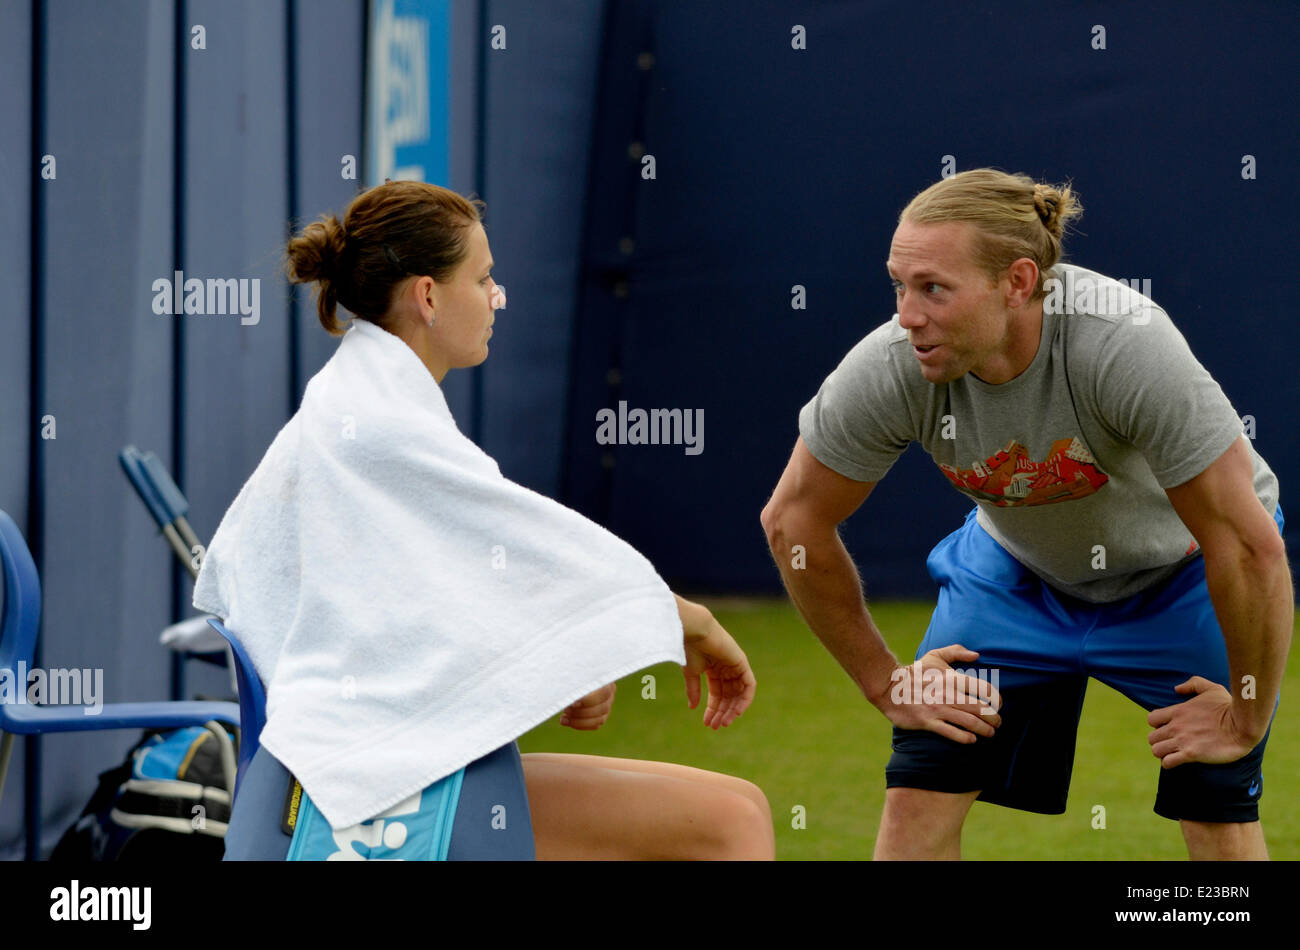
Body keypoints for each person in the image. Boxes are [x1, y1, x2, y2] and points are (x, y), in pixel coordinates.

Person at [203, 179, 773, 861]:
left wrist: (577, 655)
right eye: (483, 278)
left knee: (744, 808)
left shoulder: (359, 398)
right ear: (428, 295)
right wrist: (695, 624)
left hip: (370, 761)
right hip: (366, 784)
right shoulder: (377, 419)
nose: (498, 296)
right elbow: (530, 553)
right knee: (729, 827)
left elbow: (422, 593)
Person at [761, 168, 1291, 860]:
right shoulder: (897, 365)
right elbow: (791, 523)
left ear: (1015, 282)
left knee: (1216, 806)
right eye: (899, 284)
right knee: (919, 792)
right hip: (1016, 575)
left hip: (1183, 574)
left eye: (933, 289)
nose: (906, 315)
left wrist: (1246, 717)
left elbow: (1244, 545)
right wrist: (885, 681)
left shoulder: (1121, 345)